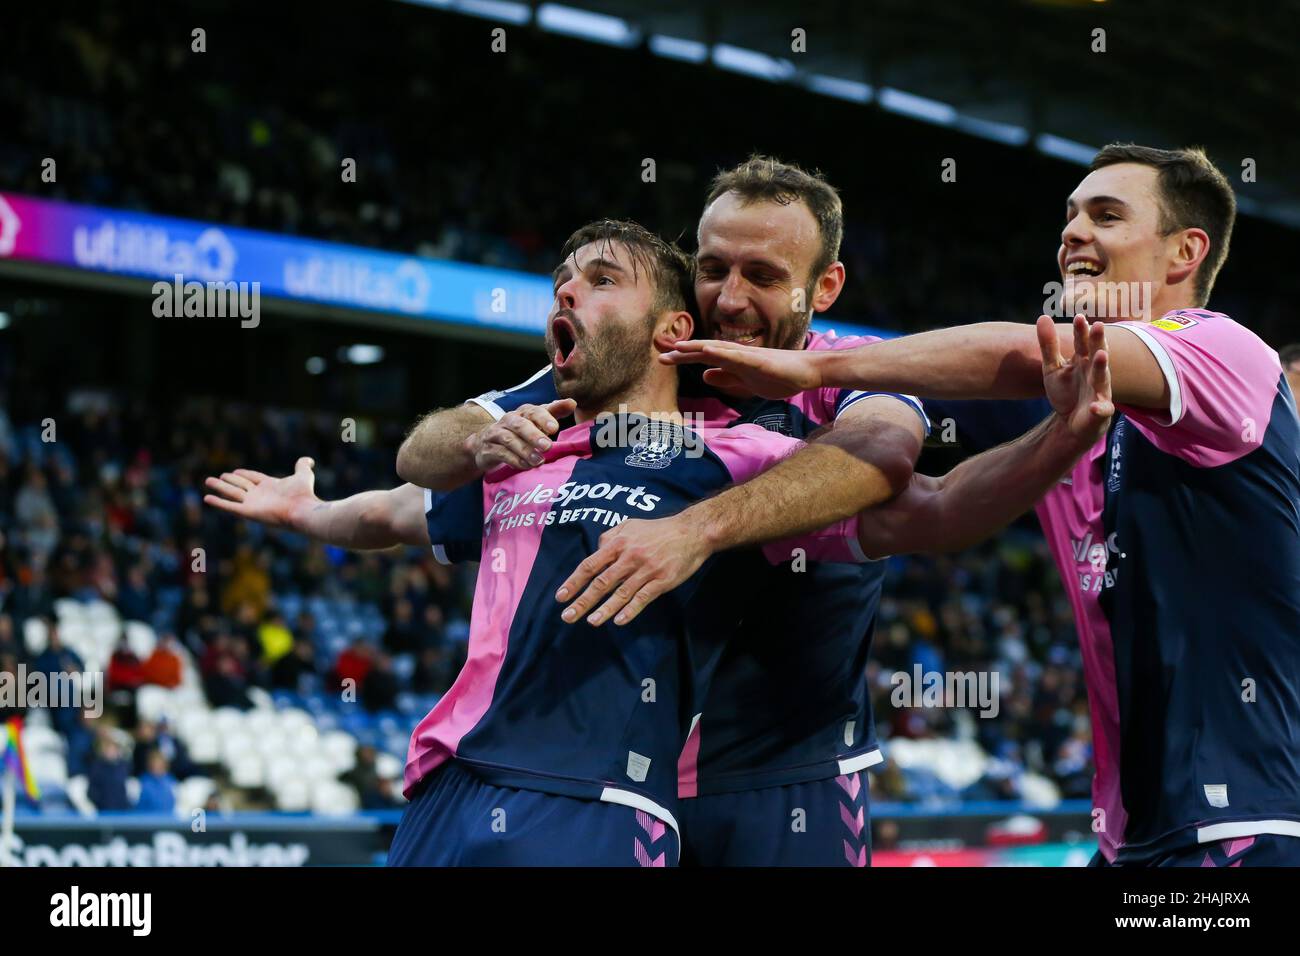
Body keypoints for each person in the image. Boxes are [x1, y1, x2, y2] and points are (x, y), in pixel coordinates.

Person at [206, 218, 1112, 865]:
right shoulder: (533, 441)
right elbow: (397, 507)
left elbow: (935, 504)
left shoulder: (756, 455)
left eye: (601, 279)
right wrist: (304, 512)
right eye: (714, 266)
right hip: (446, 788)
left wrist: (1058, 438)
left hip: (626, 801)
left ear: (672, 332)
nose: (569, 291)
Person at [665, 144, 1300, 867]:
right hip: (1135, 837)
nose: (1072, 233)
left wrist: (813, 364)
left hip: (1244, 821)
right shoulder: (1077, 416)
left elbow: (1029, 355)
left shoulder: (1227, 353)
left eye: (1106, 215)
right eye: (1069, 216)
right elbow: (927, 452)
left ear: (1186, 251)